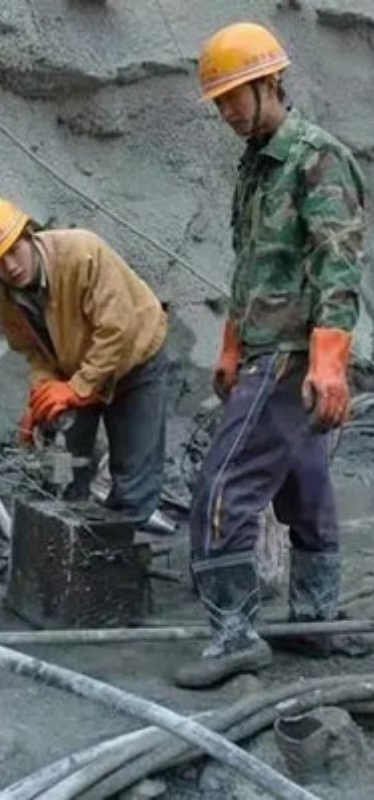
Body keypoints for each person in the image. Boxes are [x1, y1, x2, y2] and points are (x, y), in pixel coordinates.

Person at [176, 22, 367, 689]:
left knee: (223, 488)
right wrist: (231, 344)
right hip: (263, 348)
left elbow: (338, 265)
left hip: (291, 356)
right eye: (219, 101)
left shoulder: (317, 158)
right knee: (304, 487)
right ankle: (314, 619)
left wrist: (329, 361)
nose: (226, 112)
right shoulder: (256, 166)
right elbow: (251, 266)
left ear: (270, 83)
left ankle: (233, 635)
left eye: (234, 96)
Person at [0, 195, 169, 526]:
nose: (10, 266)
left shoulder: (82, 253)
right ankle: (70, 522)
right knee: (64, 463)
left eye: (14, 250)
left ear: (29, 234)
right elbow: (34, 352)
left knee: (133, 473)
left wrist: (78, 388)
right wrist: (42, 395)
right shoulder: (4, 301)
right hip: (76, 371)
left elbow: (118, 329)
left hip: (135, 359)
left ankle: (125, 539)